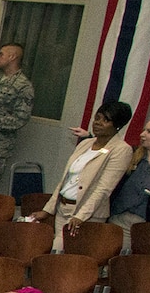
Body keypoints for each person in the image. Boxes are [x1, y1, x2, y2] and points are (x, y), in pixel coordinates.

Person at [30, 101, 134, 248]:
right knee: (58, 256)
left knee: (57, 251)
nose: (98, 123)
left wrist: (81, 216)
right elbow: (65, 180)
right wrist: (47, 210)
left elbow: (104, 188)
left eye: (106, 120)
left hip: (86, 215)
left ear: (117, 125)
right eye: (97, 118)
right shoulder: (85, 144)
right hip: (63, 209)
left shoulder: (121, 150)